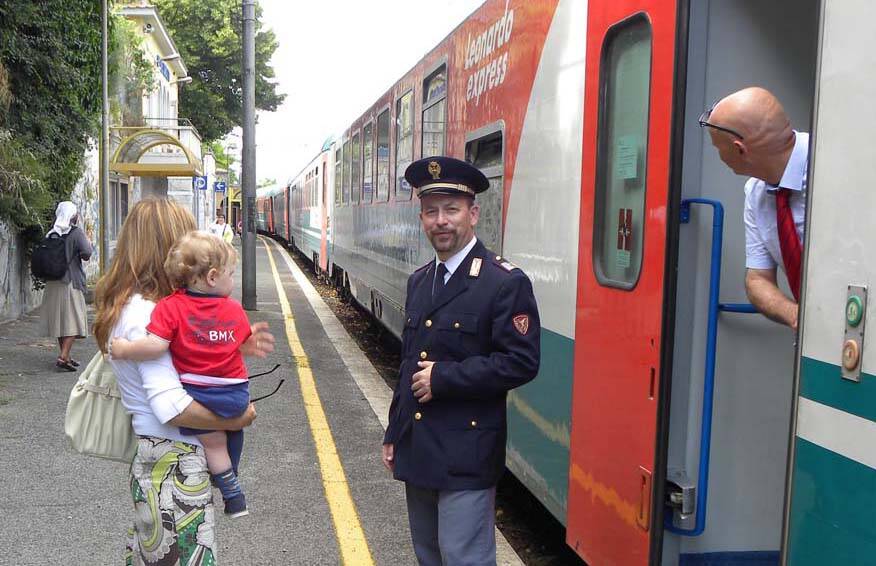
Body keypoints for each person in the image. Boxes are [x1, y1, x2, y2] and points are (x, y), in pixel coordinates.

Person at [92, 199, 274, 565]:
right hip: (173, 460)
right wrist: (237, 419)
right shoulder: (149, 314)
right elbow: (169, 405)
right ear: (169, 248)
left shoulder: (136, 307)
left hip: (157, 460)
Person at [381, 156, 541, 566]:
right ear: (421, 218)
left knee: (464, 558)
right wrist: (394, 431)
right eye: (431, 211)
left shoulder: (503, 282)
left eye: (451, 210)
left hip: (467, 450)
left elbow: (521, 362)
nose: (441, 221)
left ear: (473, 214)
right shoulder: (420, 280)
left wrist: (446, 378)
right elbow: (408, 363)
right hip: (419, 445)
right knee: (429, 555)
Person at [111, 231, 253, 517]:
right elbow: (241, 341)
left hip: (200, 391)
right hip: (237, 392)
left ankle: (231, 490)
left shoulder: (169, 307)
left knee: (214, 442)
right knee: (232, 431)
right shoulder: (235, 309)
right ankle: (230, 476)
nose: (233, 281)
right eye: (231, 274)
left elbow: (155, 346)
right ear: (212, 277)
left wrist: (125, 349)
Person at [700, 87, 808, 329]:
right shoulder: (756, 193)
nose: (720, 156)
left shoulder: (832, 164)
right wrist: (797, 316)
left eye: (718, 149)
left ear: (739, 149)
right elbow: (758, 279)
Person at [41, 201, 93, 372]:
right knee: (73, 320)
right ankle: (63, 356)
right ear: (73, 216)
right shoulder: (76, 232)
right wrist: (88, 243)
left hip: (52, 282)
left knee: (59, 320)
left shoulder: (51, 233)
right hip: (70, 282)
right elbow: (86, 254)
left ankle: (66, 355)